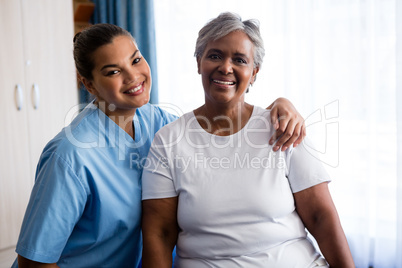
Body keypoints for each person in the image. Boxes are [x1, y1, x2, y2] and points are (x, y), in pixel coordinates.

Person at [12, 23, 305, 268]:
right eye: (113, 72)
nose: (133, 77)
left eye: (136, 60)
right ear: (88, 84)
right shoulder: (70, 156)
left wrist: (278, 108)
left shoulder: (159, 123)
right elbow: (34, 260)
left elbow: (220, 128)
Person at [141, 12, 355, 268]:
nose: (226, 67)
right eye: (214, 55)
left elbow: (321, 216)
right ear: (199, 62)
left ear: (254, 72)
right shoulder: (168, 141)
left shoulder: (283, 127)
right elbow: (160, 234)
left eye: (239, 60)